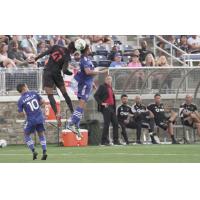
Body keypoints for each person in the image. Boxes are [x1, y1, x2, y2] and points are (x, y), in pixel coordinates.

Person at [67, 43, 107, 137]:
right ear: (86, 50)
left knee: (82, 106)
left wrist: (92, 82)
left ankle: (75, 125)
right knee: (81, 105)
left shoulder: (87, 59)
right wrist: (101, 72)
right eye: (89, 48)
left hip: (86, 83)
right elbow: (87, 72)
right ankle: (71, 123)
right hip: (83, 84)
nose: (90, 50)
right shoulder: (84, 59)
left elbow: (85, 73)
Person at [32, 42, 77, 127]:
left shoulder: (56, 46)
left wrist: (35, 58)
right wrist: (71, 73)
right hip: (57, 74)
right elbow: (64, 71)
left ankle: (57, 114)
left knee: (50, 95)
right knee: (65, 94)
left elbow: (44, 53)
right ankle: (72, 112)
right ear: (72, 50)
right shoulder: (67, 56)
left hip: (48, 72)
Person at [17, 83, 47, 160]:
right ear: (24, 88)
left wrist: (25, 114)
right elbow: (43, 101)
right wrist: (37, 108)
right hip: (40, 117)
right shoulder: (34, 93)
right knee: (41, 134)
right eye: (27, 86)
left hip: (31, 120)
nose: (28, 87)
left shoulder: (20, 100)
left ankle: (33, 151)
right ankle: (44, 151)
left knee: (26, 135)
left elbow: (21, 113)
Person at [94, 76, 121, 145]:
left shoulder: (110, 87)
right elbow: (96, 95)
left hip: (112, 108)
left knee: (115, 123)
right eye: (108, 79)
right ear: (105, 80)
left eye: (110, 79)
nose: (109, 81)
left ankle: (116, 140)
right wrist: (102, 103)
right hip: (106, 107)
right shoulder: (102, 86)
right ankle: (104, 141)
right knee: (107, 124)